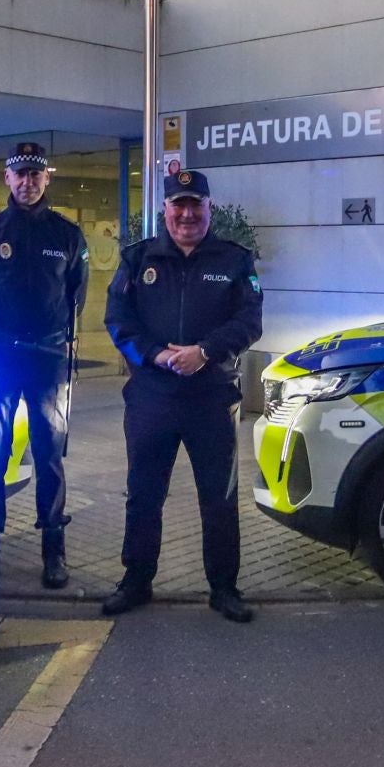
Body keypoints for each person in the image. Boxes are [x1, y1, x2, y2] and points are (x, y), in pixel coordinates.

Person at [101, 170, 263, 622]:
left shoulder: (235, 260)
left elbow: (250, 321)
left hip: (210, 398)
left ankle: (224, 588)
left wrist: (204, 353)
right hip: (152, 397)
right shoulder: (139, 259)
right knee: (143, 494)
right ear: (166, 210)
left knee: (218, 498)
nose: (187, 214)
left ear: (209, 208)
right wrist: (155, 356)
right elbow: (117, 319)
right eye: (179, 205)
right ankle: (136, 582)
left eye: (196, 205)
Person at [0, 142, 88, 589]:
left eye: (36, 175)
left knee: (49, 455)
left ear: (46, 179)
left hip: (49, 359)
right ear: (8, 179)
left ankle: (53, 549)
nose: (28, 182)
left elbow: (77, 295)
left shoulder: (68, 235)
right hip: (0, 356)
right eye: (21, 174)